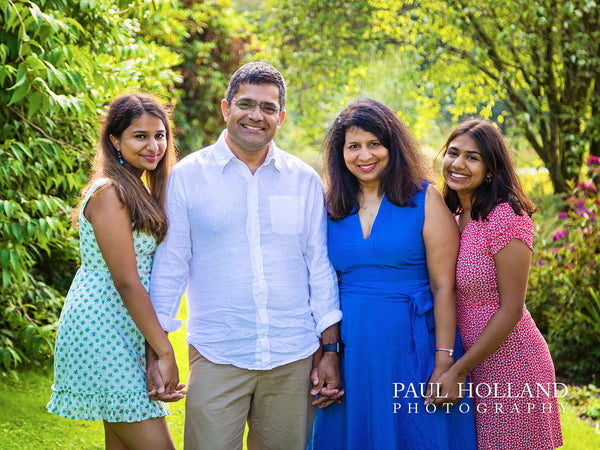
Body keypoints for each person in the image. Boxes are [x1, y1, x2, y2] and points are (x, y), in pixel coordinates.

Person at [146, 61, 342, 450]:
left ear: (281, 116)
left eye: (268, 108)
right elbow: (169, 267)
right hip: (219, 352)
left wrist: (330, 350)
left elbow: (320, 267)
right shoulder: (186, 176)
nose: (256, 115)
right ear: (226, 108)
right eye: (246, 104)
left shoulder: (303, 180)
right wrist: (158, 350)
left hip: (293, 354)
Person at [309, 99, 477, 450]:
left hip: (416, 347)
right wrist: (327, 352)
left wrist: (444, 361)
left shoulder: (424, 198)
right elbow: (320, 284)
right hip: (354, 347)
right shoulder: (329, 206)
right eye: (353, 146)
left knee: (418, 435)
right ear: (341, 153)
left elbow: (444, 287)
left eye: (374, 144)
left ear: (392, 147)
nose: (364, 155)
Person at [47, 93, 185, 449]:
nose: (154, 145)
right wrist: (165, 351)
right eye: (140, 136)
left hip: (125, 325)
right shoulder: (110, 192)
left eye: (160, 135)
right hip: (102, 327)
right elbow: (126, 281)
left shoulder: (136, 186)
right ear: (115, 140)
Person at [432, 118, 563, 448]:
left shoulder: (506, 216)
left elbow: (512, 309)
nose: (458, 164)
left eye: (472, 157)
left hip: (511, 362)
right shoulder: (453, 216)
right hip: (469, 359)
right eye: (453, 153)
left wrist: (459, 370)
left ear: (491, 169)